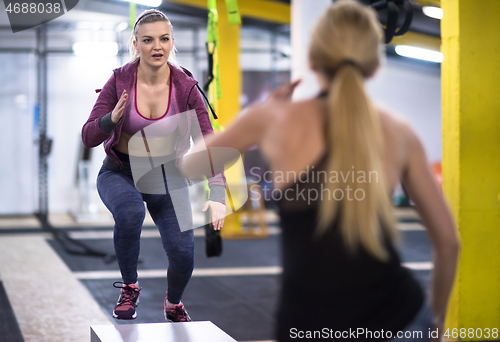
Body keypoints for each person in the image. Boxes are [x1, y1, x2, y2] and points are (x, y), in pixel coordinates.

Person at [182, 1, 459, 341]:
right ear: (373, 66)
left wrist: (258, 115)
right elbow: (448, 243)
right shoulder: (400, 132)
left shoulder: (272, 119)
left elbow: (190, 165)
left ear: (313, 61)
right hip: (400, 317)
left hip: (309, 323)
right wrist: (437, 320)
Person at [82, 9, 226, 321]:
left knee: (183, 251)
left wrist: (218, 191)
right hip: (121, 172)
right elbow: (88, 135)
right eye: (148, 40)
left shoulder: (186, 87)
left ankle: (173, 303)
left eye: (163, 39)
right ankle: (129, 287)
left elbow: (207, 139)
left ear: (173, 42)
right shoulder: (119, 80)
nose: (156, 46)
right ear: (136, 44)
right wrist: (111, 119)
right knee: (131, 212)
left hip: (166, 176)